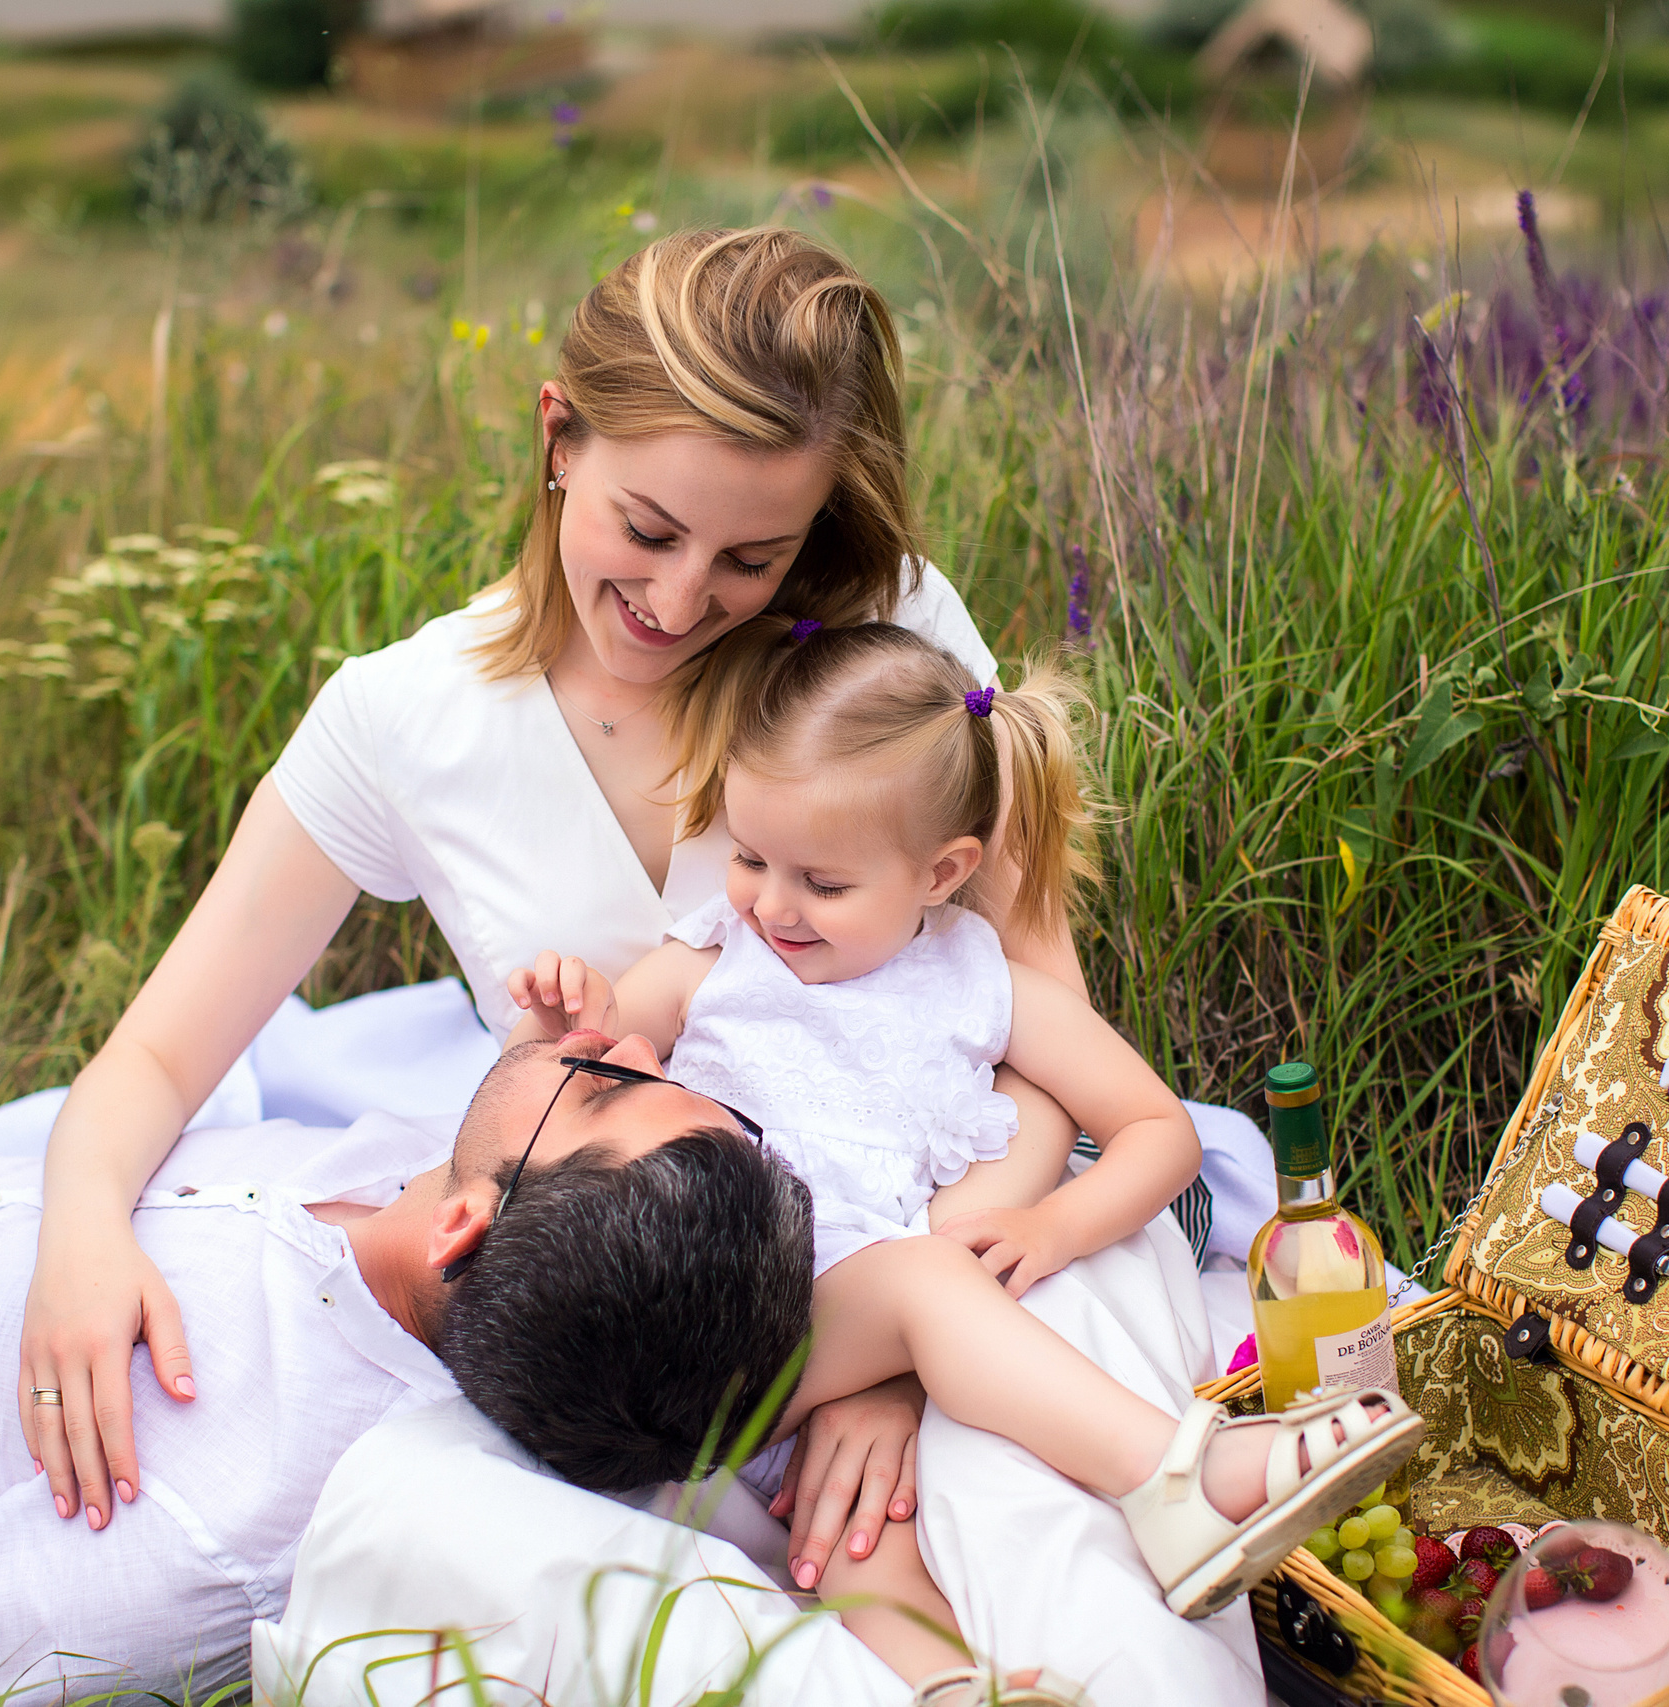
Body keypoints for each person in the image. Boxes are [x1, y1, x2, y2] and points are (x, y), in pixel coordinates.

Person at [17, 226, 1101, 1585]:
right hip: (648, 1330)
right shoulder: (405, 719)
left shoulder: (884, 642)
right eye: (646, 528)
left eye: (752, 557)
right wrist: (78, 1228)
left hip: (968, 1244)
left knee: (1047, 1550)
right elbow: (165, 1050)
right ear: (560, 436)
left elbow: (1033, 1008)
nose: (678, 598)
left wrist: (889, 1359)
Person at [0, 801, 815, 1702]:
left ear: (465, 1227)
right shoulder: (427, 1191)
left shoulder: (229, 1520)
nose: (641, 1043)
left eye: (602, 1085)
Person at [503, 623, 1421, 1677]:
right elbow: (604, 1058)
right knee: (928, 1292)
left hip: (809, 1353)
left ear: (942, 871)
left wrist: (1054, 1221)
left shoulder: (980, 988)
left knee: (855, 1543)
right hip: (705, 1302)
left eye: (822, 882)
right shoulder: (719, 956)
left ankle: (946, 1687)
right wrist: (570, 1013)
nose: (770, 902)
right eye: (750, 855)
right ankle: (1177, 1481)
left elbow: (1155, 1128)